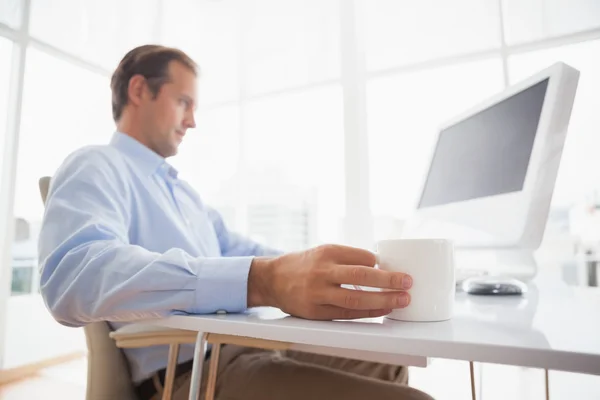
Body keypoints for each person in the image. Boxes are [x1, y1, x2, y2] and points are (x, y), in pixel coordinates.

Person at [38, 44, 433, 400]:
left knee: (391, 361)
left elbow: (245, 251)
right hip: (188, 374)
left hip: (247, 346)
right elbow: (71, 277)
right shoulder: (96, 165)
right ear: (139, 90)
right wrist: (261, 281)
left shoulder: (184, 194)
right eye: (183, 102)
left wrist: (322, 270)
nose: (192, 121)